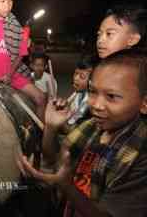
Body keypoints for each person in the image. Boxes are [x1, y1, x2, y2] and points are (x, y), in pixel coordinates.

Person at [18, 50, 147, 217]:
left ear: (144, 103)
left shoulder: (141, 155)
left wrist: (66, 186)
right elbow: (55, 159)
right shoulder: (92, 126)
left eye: (112, 96)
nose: (97, 105)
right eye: (92, 92)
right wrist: (51, 127)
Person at [66, 57, 94, 126]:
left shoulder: (90, 103)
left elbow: (74, 124)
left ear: (92, 81)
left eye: (82, 76)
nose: (76, 78)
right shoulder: (78, 92)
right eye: (76, 73)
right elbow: (67, 103)